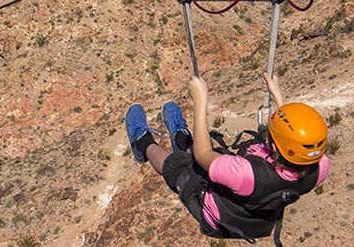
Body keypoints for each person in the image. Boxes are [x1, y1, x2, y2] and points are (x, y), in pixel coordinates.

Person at [124, 73, 329, 245]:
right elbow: (289, 143)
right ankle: (181, 139)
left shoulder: (244, 173)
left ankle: (142, 143)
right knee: (212, 157)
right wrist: (278, 98)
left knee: (178, 166)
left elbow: (203, 155)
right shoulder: (319, 167)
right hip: (252, 213)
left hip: (217, 215)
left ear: (275, 147)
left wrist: (200, 103)